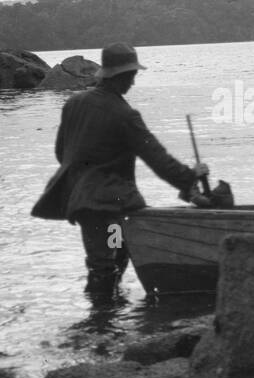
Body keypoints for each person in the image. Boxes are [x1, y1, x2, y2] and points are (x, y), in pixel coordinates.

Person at [32, 42, 211, 297]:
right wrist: (192, 176)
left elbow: (63, 153)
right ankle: (102, 322)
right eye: (132, 76)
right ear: (123, 76)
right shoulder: (124, 115)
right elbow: (158, 159)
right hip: (109, 207)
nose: (133, 83)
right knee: (108, 262)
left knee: (109, 260)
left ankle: (104, 322)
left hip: (84, 203)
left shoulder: (74, 104)